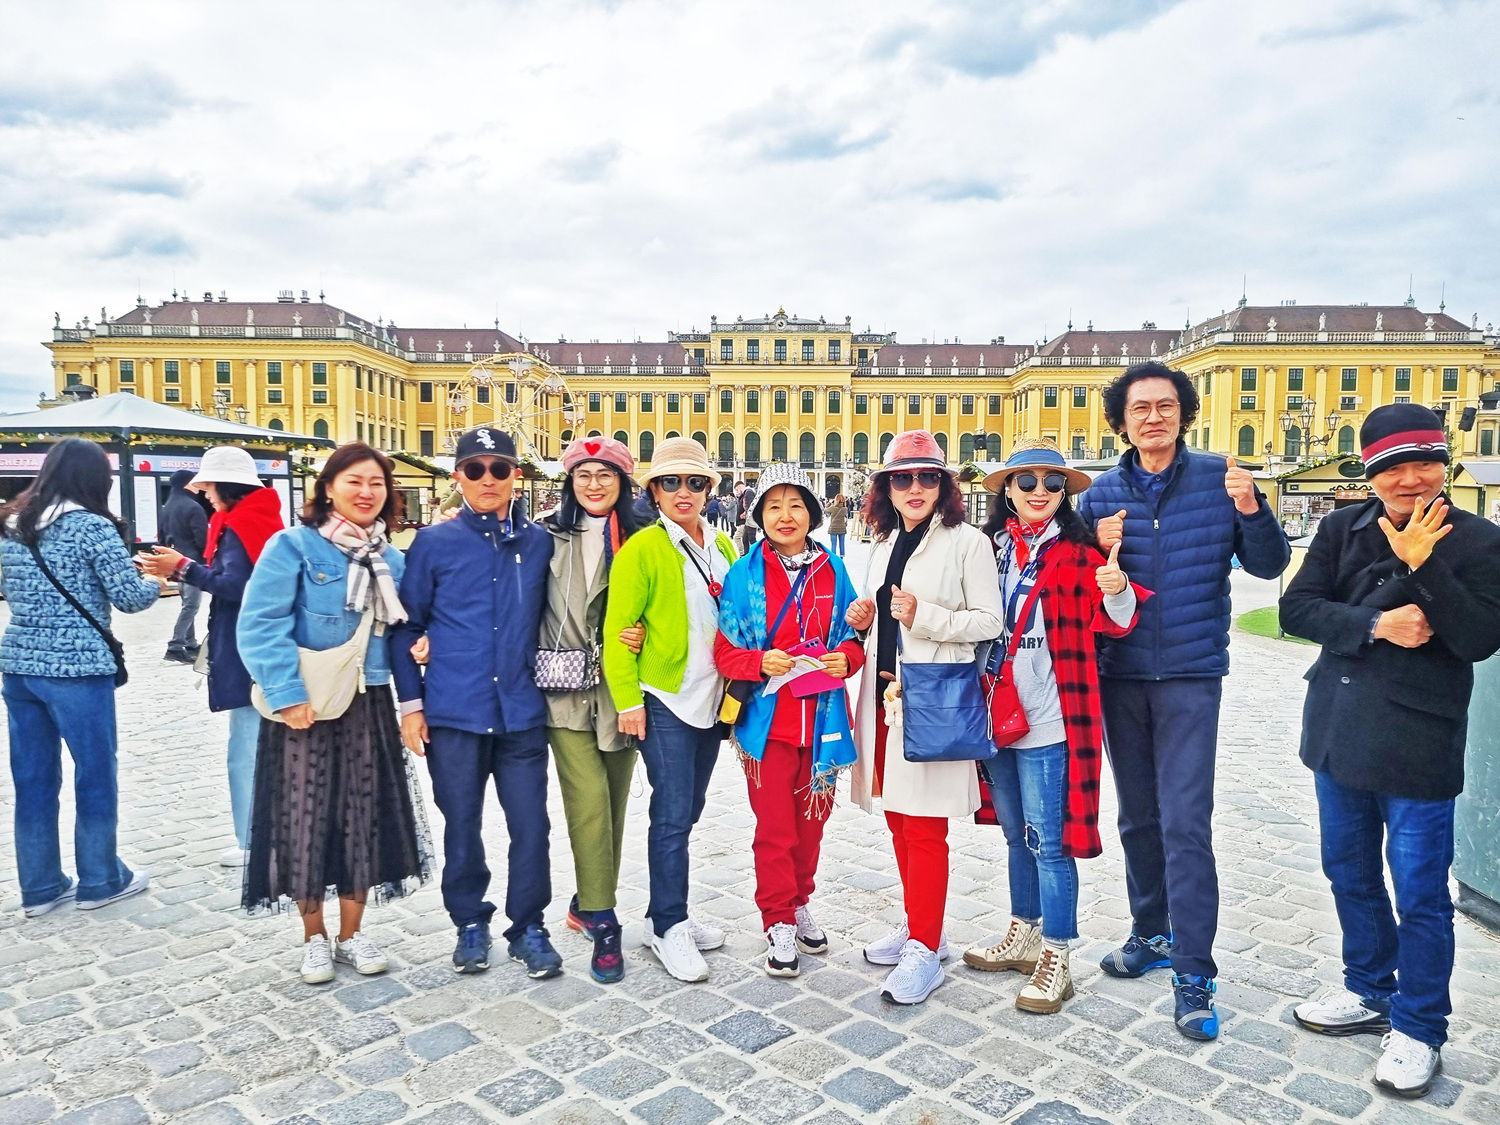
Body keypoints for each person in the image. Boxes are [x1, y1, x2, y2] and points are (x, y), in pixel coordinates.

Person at [1280, 404, 1500, 1098]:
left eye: (1424, 462)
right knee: (1347, 871)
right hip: (1339, 725)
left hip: (1419, 740)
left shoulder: (1481, 540)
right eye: (1393, 467)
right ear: (1370, 473)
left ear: (1445, 464)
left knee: (1422, 893)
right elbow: (1296, 609)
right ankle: (1370, 987)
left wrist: (1423, 564)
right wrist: (1376, 622)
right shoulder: (1340, 527)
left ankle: (1419, 1025)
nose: (1411, 479)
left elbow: (1478, 638)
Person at [1076, 361, 1290, 1040]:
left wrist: (1252, 508)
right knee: (1138, 816)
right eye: (1139, 408)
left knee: (1186, 823)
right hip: (1121, 673)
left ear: (1184, 413)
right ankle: (1152, 931)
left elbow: (1269, 564)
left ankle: (1194, 971)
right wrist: (1096, 553)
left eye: (1165, 406)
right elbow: (1077, 585)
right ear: (1121, 421)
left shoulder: (1220, 480)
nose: (1153, 417)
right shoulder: (1099, 495)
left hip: (1193, 675)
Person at [960, 439, 1143, 1014]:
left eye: (1052, 482)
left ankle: (1058, 956)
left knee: (1049, 842)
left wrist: (1119, 589)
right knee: (1015, 833)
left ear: (1065, 493)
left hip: (1049, 717)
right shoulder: (988, 550)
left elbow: (1117, 621)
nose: (1040, 491)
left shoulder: (1079, 553)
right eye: (1027, 481)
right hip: (994, 712)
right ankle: (1025, 932)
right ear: (1008, 492)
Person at [237, 442, 430, 983]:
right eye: (354, 481)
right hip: (310, 704)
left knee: (362, 817)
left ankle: (351, 933)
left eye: (376, 483)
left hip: (368, 700)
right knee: (304, 817)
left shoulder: (394, 560)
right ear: (327, 488)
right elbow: (260, 623)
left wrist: (421, 649)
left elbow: (404, 631)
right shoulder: (293, 546)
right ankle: (313, 937)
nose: (366, 492)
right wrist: (286, 693)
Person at [390, 427, 559, 979]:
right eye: (475, 469)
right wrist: (410, 705)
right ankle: (468, 920)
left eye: (499, 468)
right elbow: (405, 627)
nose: (488, 479)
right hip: (455, 710)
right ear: (458, 476)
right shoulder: (433, 544)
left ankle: (528, 925)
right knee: (461, 824)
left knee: (531, 826)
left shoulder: (539, 542)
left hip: (520, 710)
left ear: (516, 476)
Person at [844, 430, 1004, 1005]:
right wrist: (865, 619)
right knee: (898, 817)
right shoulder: (884, 541)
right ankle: (920, 927)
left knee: (925, 824)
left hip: (932, 697)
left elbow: (990, 621)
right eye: (903, 478)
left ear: (943, 484)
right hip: (884, 693)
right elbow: (885, 616)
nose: (915, 487)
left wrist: (926, 616)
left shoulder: (967, 542)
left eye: (927, 477)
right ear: (886, 486)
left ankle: (926, 946)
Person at [715, 463, 865, 977]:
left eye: (796, 505)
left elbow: (852, 639)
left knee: (812, 826)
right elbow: (725, 651)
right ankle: (777, 917)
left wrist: (848, 658)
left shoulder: (833, 570)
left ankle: (800, 901)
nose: (785, 516)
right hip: (768, 725)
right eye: (774, 506)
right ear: (759, 515)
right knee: (775, 828)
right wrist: (760, 662)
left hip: (822, 723)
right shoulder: (743, 575)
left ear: (812, 513)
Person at [1, 438, 161, 917]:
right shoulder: (91, 526)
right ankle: (100, 879)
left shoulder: (10, 524)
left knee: (32, 780)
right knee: (94, 774)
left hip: (19, 667)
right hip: (77, 669)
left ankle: (40, 888)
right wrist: (156, 582)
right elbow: (129, 598)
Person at [603, 436, 738, 983]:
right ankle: (667, 924)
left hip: (712, 697)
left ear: (709, 490)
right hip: (664, 698)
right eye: (671, 482)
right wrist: (628, 701)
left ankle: (666, 910)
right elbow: (617, 631)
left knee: (690, 808)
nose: (684, 492)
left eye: (695, 482)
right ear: (654, 491)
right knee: (674, 811)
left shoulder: (723, 544)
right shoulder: (642, 549)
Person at [138, 447, 284, 867]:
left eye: (209, 487)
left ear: (224, 486)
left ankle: (252, 839)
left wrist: (182, 568)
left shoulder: (239, 525)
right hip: (260, 641)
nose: (205, 495)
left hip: (246, 643)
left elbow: (237, 585)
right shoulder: (259, 517)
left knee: (246, 746)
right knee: (257, 740)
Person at [539, 436, 648, 983]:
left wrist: (645, 630)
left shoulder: (644, 539)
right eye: (583, 474)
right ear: (570, 482)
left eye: (606, 474)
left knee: (614, 802)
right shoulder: (544, 536)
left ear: (623, 483)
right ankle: (605, 922)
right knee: (587, 801)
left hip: (622, 691)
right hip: (563, 689)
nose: (594, 484)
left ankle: (587, 900)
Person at [159, 468, 208, 663]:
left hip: (175, 562)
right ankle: (175, 646)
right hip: (192, 563)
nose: (199, 486)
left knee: (187, 603)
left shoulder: (167, 507)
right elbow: (202, 539)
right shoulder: (193, 507)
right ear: (188, 483)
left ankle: (190, 642)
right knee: (191, 605)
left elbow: (162, 537)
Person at [737, 481, 758, 555]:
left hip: (750, 519)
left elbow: (750, 506)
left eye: (737, 489)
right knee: (745, 539)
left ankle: (759, 554)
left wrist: (746, 514)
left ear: (740, 487)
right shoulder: (747, 492)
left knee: (752, 539)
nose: (737, 492)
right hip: (748, 519)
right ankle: (746, 555)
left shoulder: (748, 492)